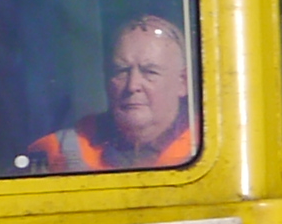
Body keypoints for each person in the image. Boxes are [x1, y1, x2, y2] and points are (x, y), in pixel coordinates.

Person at [20, 13, 199, 171]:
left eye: (149, 72)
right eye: (121, 71)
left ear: (182, 82)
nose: (132, 85)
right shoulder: (59, 151)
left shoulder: (210, 146)